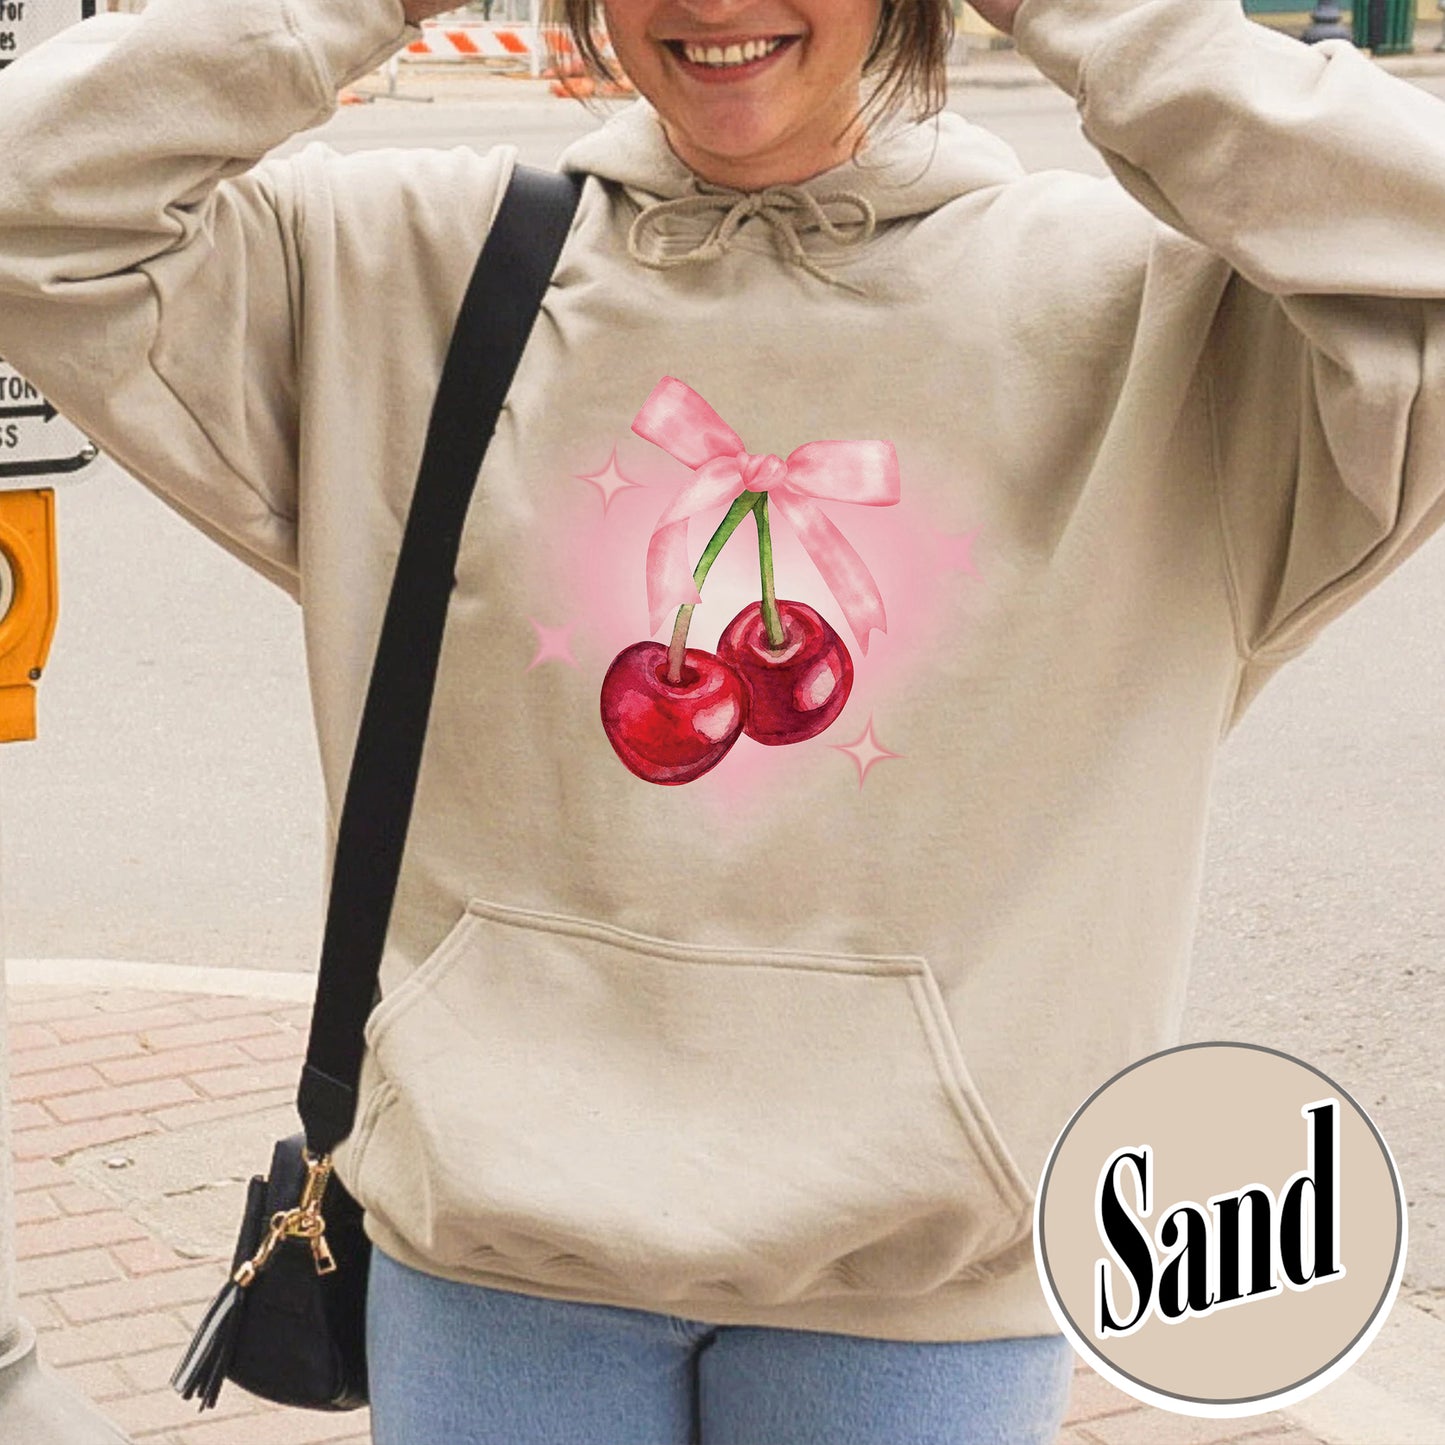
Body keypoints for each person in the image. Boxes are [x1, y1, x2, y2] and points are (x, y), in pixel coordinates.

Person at [1, 0, 1442, 1438]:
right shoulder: (414, 271)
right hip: (499, 1268)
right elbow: (30, 203)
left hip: (918, 1300)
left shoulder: (1147, 320)